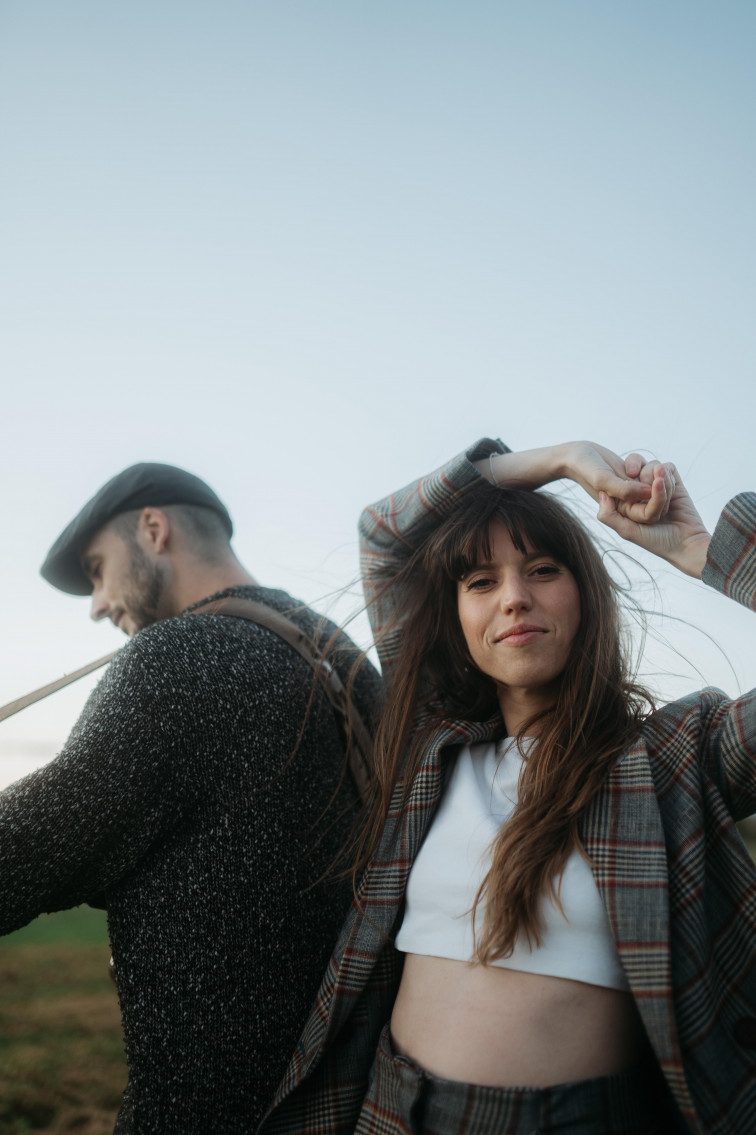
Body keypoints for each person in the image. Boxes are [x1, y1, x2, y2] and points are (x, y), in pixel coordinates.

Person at [258, 438, 756, 1135]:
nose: (515, 598)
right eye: (480, 581)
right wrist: (565, 460)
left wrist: (697, 546)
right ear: (456, 616)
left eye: (544, 569)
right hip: (390, 1109)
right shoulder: (429, 744)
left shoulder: (676, 755)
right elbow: (387, 530)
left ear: (584, 594)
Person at [0, 462, 380, 1135]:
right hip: (339, 1099)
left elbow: (22, 855)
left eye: (96, 568)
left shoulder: (177, 658)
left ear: (153, 528)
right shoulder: (340, 653)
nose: (96, 603)